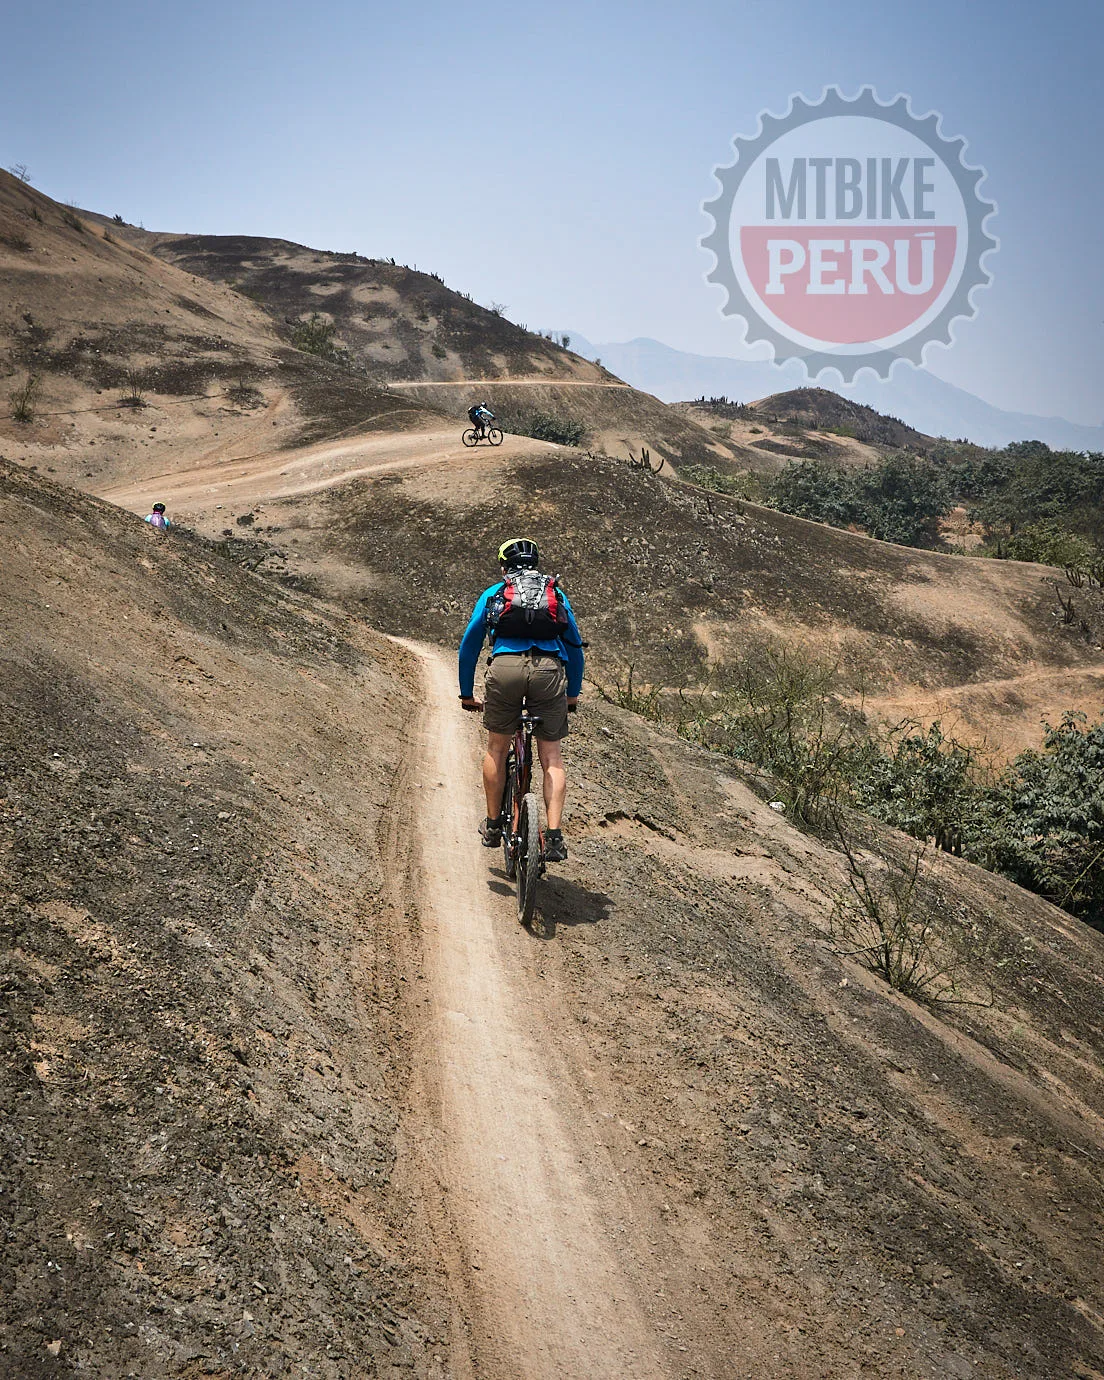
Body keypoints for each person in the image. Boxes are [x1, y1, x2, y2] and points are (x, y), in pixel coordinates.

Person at [459, 537, 584, 863]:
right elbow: (574, 647)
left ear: (504, 567)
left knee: (497, 749)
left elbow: (470, 643)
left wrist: (467, 693)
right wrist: (572, 694)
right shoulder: (554, 592)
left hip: (505, 670)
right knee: (552, 758)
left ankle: (492, 824)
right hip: (548, 670)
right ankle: (554, 838)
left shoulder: (494, 593)